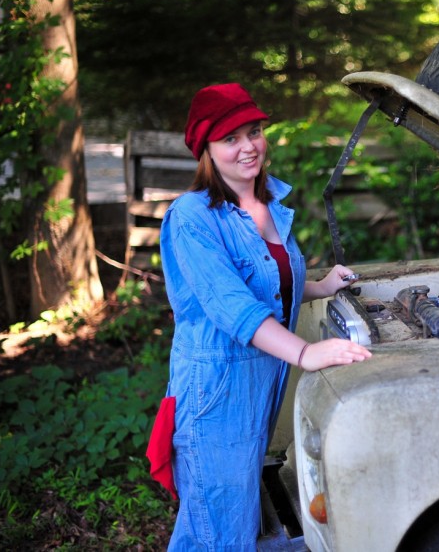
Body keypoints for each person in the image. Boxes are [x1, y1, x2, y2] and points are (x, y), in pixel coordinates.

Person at [157, 83, 372, 549]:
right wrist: (306, 353)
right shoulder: (192, 217)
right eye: (230, 138)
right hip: (214, 391)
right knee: (220, 531)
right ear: (206, 150)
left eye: (253, 132)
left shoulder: (269, 203)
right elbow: (232, 307)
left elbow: (268, 285)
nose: (248, 147)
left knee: (228, 522)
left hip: (258, 385)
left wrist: (319, 285)